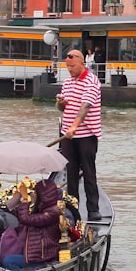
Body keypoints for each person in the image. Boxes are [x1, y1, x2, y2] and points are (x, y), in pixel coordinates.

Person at [56, 48, 102, 222]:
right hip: (68, 135)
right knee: (71, 172)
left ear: (82, 63)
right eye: (67, 67)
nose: (69, 69)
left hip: (87, 134)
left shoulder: (92, 81)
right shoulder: (68, 82)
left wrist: (74, 127)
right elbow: (63, 108)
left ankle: (93, 210)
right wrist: (60, 103)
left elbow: (85, 107)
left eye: (72, 66)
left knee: (89, 171)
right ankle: (73, 210)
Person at [1, 179, 62, 271]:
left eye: (36, 193)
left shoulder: (52, 213)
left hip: (42, 257)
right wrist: (18, 198)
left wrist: (25, 198)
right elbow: (22, 221)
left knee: (8, 261)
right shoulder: (42, 209)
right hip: (33, 252)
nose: (34, 195)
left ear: (43, 196)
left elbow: (26, 219)